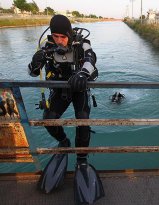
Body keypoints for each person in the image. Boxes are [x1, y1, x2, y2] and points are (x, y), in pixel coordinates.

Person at [28, 15, 104, 204]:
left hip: (79, 89)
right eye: (55, 36)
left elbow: (91, 58)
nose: (59, 41)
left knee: (83, 121)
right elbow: (32, 72)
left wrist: (83, 73)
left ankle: (82, 159)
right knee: (49, 119)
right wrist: (34, 63)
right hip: (61, 91)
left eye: (63, 36)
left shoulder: (81, 43)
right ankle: (64, 142)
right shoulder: (47, 47)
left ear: (70, 34)